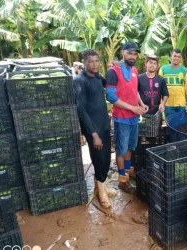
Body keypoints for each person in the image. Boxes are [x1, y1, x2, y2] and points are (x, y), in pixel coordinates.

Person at [73, 49, 116, 209]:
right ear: (84, 63)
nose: (94, 64)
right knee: (98, 159)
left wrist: (115, 68)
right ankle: (101, 193)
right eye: (91, 61)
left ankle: (102, 187)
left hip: (104, 124)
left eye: (96, 61)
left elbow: (109, 84)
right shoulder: (80, 80)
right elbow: (81, 110)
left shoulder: (98, 77)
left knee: (105, 158)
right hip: (93, 129)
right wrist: (93, 134)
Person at [105, 42, 149, 193]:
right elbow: (111, 96)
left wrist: (141, 104)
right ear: (123, 52)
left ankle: (128, 172)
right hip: (121, 118)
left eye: (135, 54)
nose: (133, 56)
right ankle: (122, 179)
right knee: (121, 149)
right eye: (130, 53)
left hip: (134, 117)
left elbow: (134, 91)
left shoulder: (135, 70)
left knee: (131, 146)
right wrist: (133, 108)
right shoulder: (113, 71)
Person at [158, 48, 187, 118]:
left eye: (178, 57)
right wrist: (161, 103)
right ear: (171, 57)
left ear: (181, 59)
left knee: (180, 126)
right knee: (170, 125)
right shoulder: (163, 69)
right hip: (167, 104)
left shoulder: (185, 71)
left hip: (181, 104)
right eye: (175, 56)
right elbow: (159, 88)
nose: (176, 58)